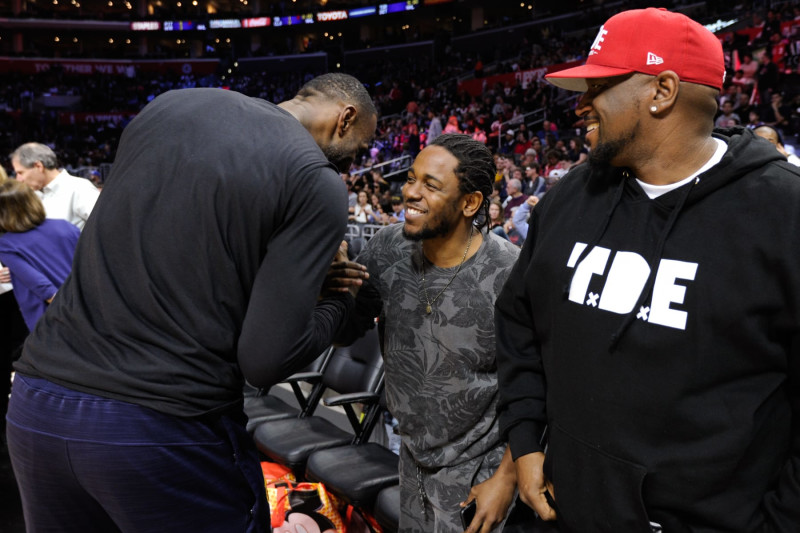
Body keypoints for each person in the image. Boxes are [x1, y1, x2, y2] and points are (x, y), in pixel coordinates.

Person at [6, 73, 377, 532]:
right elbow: (265, 360)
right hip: (157, 426)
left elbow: (184, 268)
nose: (352, 163)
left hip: (36, 405)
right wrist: (340, 301)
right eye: (359, 149)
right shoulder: (313, 178)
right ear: (346, 118)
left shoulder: (170, 106)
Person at [495, 8, 800, 532]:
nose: (582, 106)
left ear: (662, 91)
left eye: (600, 87)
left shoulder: (782, 214)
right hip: (559, 511)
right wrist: (524, 442)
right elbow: (518, 322)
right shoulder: (572, 195)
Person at [328, 134, 520, 532]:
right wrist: (334, 290)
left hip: (481, 465)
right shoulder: (386, 249)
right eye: (411, 178)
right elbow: (346, 332)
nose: (410, 193)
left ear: (470, 203)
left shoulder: (511, 271)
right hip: (411, 455)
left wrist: (507, 478)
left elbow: (543, 382)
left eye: (431, 185)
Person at [0, 180, 79, 331]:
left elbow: (43, 287)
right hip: (88, 308)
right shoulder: (65, 226)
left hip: (55, 321)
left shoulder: (6, 244)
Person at [10, 143, 100, 230]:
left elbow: (104, 228)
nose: (18, 179)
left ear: (39, 166)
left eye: (20, 173)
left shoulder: (79, 188)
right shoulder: (31, 194)